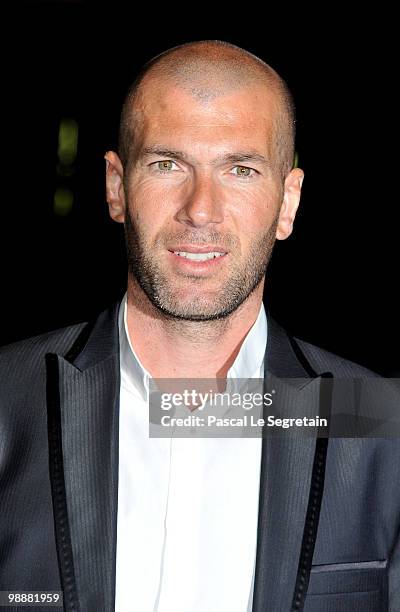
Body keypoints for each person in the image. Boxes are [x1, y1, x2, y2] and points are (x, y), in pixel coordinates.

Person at [0, 40, 399, 612]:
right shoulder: (8, 400)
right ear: (116, 186)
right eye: (168, 165)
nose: (201, 209)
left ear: (288, 201)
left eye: (240, 169)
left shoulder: (377, 426)